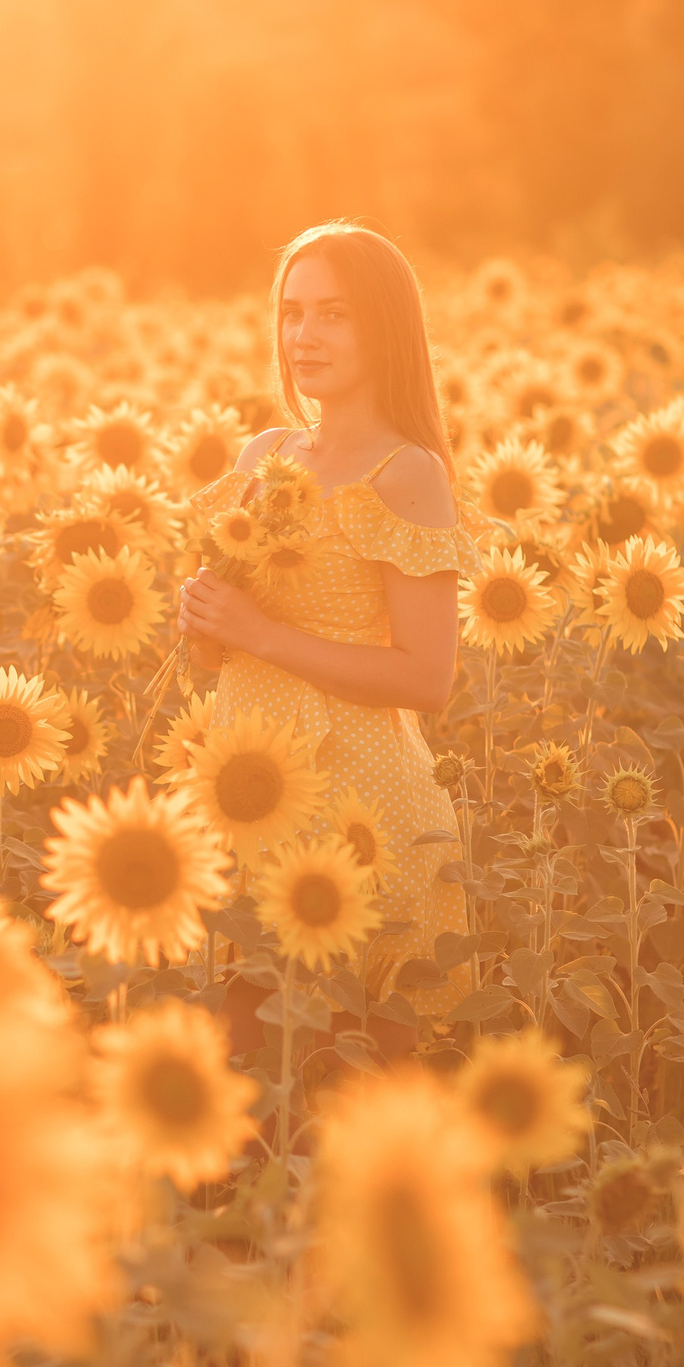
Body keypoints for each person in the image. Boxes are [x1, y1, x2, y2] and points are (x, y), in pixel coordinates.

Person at [178, 220, 475, 1018]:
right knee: (256, 1085)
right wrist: (207, 620)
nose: (305, 335)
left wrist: (261, 635)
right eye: (293, 312)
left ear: (386, 329)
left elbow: (428, 676)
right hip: (251, 797)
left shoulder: (405, 473)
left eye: (335, 314)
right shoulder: (262, 457)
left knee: (364, 1079)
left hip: (366, 813)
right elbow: (220, 652)